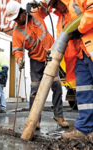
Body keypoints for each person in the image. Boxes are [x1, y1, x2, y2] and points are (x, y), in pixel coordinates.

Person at [6, 1, 69, 129]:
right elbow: (17, 50)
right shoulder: (16, 32)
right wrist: (19, 60)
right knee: (35, 90)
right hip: (36, 60)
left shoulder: (36, 13)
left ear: (23, 12)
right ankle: (35, 120)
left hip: (51, 55)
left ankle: (59, 115)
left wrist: (40, 3)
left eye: (17, 17)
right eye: (14, 19)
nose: (16, 21)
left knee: (56, 86)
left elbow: (48, 6)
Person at [45, 0, 93, 140]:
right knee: (84, 94)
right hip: (80, 55)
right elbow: (61, 40)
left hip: (90, 48)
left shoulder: (77, 1)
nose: (54, 8)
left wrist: (80, 29)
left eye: (54, 4)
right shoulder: (61, 20)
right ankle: (84, 130)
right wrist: (52, 52)